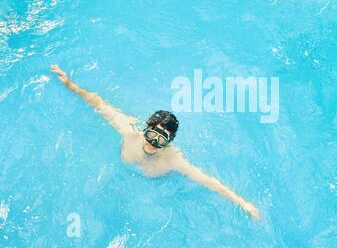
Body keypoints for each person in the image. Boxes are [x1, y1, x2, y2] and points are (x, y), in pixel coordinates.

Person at [50, 64, 260, 220]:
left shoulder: (174, 160)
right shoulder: (130, 132)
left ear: (168, 143)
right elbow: (99, 104)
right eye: (152, 135)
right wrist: (70, 85)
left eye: (161, 140)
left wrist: (243, 203)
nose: (153, 143)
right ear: (146, 129)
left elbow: (208, 181)